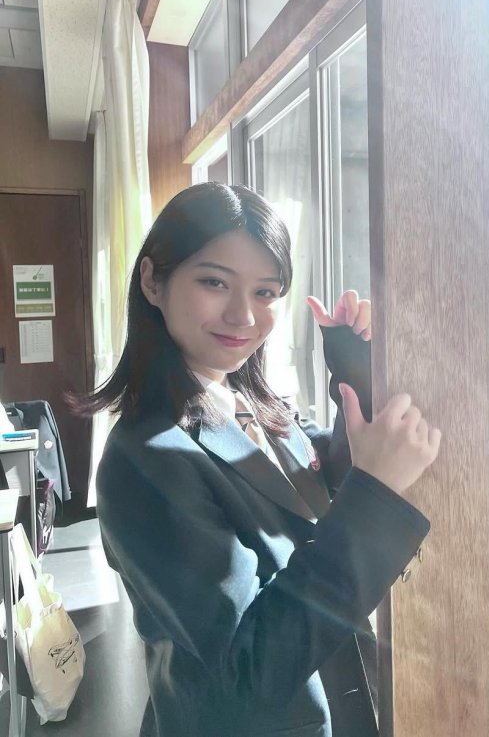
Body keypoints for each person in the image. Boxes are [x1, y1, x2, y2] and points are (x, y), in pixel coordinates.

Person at [75, 182, 441, 737]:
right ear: (152, 281)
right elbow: (248, 671)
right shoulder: (143, 460)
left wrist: (359, 375)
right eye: (214, 282)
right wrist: (376, 499)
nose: (243, 314)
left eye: (266, 292)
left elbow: (319, 481)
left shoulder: (249, 400)